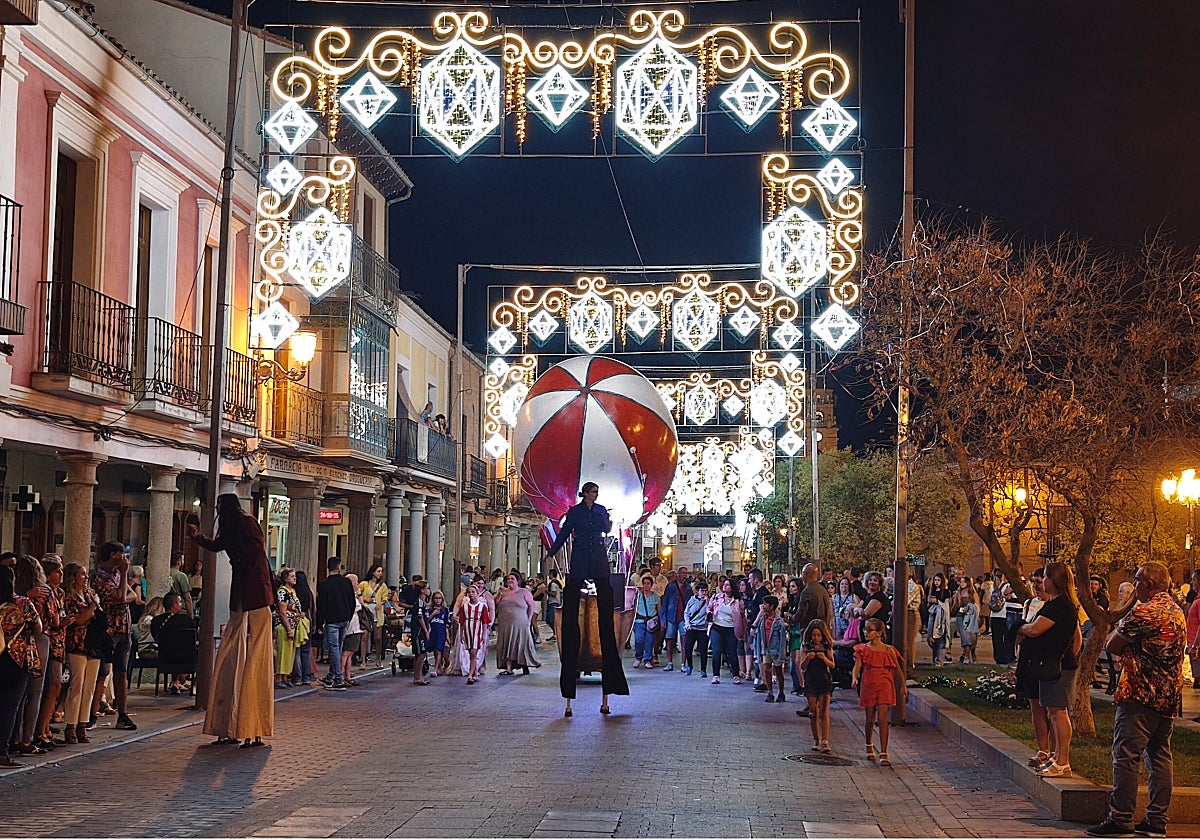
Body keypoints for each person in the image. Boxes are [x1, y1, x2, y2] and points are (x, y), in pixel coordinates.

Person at [1087, 562, 1187, 838]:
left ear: (1147, 585)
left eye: (1138, 579)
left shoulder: (1145, 611)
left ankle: (1121, 818)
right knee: (1159, 757)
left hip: (1139, 693)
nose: (1135, 583)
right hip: (1167, 696)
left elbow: (1112, 645)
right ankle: (1157, 819)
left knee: (1126, 756)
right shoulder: (1177, 611)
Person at [188, 494, 276, 747]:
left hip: (254, 593)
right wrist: (199, 539)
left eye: (218, 507)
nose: (216, 511)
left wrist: (234, 554)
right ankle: (239, 725)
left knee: (250, 651)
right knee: (236, 651)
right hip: (247, 593)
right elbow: (220, 545)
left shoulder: (243, 523)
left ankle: (246, 725)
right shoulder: (236, 524)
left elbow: (253, 546)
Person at [543, 481, 629, 717]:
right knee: (572, 607)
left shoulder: (601, 510)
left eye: (597, 493)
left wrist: (608, 520)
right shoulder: (575, 512)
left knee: (605, 594)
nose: (596, 495)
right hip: (581, 557)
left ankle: (611, 678)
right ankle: (570, 682)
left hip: (598, 558)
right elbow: (564, 533)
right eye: (593, 492)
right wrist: (552, 551)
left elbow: (608, 530)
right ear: (586, 493)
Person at [1016, 562, 1081, 778]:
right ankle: (1055, 756)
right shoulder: (1054, 604)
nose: (1042, 581)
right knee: (1052, 712)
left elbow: (1035, 629)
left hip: (1059, 666)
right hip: (1050, 664)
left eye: (1044, 577)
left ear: (1053, 580)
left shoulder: (1062, 606)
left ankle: (1063, 761)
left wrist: (1019, 628)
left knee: (1058, 712)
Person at [90, 541, 137, 732]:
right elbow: (119, 596)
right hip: (108, 629)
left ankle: (123, 714)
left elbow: (131, 595)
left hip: (123, 628)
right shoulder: (101, 576)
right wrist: (125, 575)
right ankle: (91, 714)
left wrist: (124, 595)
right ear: (112, 555)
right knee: (102, 672)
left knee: (121, 671)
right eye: (120, 553)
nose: (124, 558)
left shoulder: (117, 574)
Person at [0, 565, 41, 767]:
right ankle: (2, 751)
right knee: (9, 707)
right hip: (16, 658)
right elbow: (39, 627)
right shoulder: (22, 603)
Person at [853, 617, 907, 767]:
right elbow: (857, 667)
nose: (866, 632)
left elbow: (897, 669)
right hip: (869, 684)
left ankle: (884, 751)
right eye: (865, 629)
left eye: (869, 630)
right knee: (870, 719)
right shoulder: (863, 649)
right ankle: (869, 744)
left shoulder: (889, 650)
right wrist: (854, 677)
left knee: (883, 718)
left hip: (885, 684)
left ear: (879, 633)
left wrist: (903, 685)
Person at [61, 562, 100, 746]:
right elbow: (78, 620)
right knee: (77, 684)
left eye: (86, 575)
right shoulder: (68, 597)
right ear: (73, 577)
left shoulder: (90, 594)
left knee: (90, 686)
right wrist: (91, 609)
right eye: (82, 575)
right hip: (77, 643)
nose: (85, 578)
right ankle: (70, 725)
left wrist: (92, 610)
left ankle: (83, 724)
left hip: (94, 643)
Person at [314, 556, 356, 692]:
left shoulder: (324, 585)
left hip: (331, 619)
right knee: (338, 648)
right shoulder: (346, 582)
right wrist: (348, 616)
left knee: (334, 649)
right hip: (344, 618)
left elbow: (321, 606)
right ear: (338, 567)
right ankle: (331, 675)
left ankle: (338, 679)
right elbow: (352, 602)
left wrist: (319, 624)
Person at [495, 573, 541, 676]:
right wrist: (498, 595)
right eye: (508, 579)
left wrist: (528, 620)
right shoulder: (503, 592)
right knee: (506, 644)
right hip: (505, 623)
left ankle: (525, 665)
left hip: (521, 623)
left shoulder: (524, 592)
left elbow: (531, 606)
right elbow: (496, 604)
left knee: (521, 643)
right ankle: (509, 668)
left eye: (512, 579)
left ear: (517, 581)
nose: (510, 580)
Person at [150, 592, 196, 694]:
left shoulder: (156, 621)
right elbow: (196, 635)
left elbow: (155, 637)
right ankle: (194, 685)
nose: (181, 605)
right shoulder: (186, 620)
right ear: (174, 604)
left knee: (176, 649)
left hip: (165, 656)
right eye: (180, 602)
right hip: (186, 658)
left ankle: (175, 682)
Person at [801, 618, 836, 753]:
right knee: (813, 712)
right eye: (814, 635)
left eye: (818, 635)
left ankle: (825, 740)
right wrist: (808, 659)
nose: (816, 638)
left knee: (824, 711)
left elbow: (832, 664)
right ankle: (816, 740)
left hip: (824, 681)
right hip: (811, 681)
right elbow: (802, 666)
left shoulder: (827, 648)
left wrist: (824, 658)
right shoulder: (806, 648)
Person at [753, 594, 787, 703]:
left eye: (765, 604)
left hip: (776, 649)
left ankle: (781, 692)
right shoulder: (762, 619)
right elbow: (759, 636)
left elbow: (782, 639)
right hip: (766, 649)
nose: (763, 606)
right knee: (767, 669)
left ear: (772, 606)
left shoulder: (779, 621)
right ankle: (770, 692)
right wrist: (758, 651)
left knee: (778, 671)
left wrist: (782, 653)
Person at [659, 565, 693, 672]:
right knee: (669, 641)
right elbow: (665, 602)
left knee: (684, 641)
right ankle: (669, 663)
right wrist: (663, 620)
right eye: (683, 573)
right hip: (671, 616)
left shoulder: (688, 588)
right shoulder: (670, 586)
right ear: (678, 575)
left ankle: (683, 664)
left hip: (683, 617)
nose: (685, 575)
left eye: (686, 573)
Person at [272, 568, 302, 691]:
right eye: (291, 576)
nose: (294, 578)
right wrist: (288, 629)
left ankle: (285, 677)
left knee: (289, 653)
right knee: (282, 652)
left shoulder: (293, 591)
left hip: (293, 624)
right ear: (285, 579)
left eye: (295, 576)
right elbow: (282, 612)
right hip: (284, 626)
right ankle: (278, 677)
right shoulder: (282, 592)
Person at [456, 583, 490, 684]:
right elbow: (461, 621)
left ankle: (470, 675)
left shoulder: (482, 607)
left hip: (477, 633)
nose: (471, 594)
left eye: (473, 592)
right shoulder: (465, 607)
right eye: (469, 592)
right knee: (471, 652)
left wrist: (484, 634)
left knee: (473, 653)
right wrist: (461, 633)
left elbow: (484, 622)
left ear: (477, 593)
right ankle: (475, 672)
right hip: (467, 631)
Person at [707, 577, 738, 684]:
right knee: (716, 651)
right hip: (717, 626)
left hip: (730, 628)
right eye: (724, 584)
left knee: (732, 652)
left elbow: (741, 615)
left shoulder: (737, 601)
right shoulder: (717, 597)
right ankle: (716, 675)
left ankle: (735, 674)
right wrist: (709, 613)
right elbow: (709, 607)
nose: (725, 586)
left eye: (728, 585)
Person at [681, 579, 710, 677]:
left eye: (705, 591)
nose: (704, 593)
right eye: (702, 591)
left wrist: (708, 603)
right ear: (697, 591)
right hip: (692, 628)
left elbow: (711, 613)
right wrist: (687, 623)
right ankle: (689, 666)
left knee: (703, 650)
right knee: (688, 648)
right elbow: (686, 613)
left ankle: (703, 669)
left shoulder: (708, 601)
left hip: (703, 629)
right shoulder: (692, 600)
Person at [293, 571, 316, 686]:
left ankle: (297, 677)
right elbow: (313, 610)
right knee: (306, 651)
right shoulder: (308, 593)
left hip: (297, 621)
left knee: (297, 650)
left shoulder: (294, 593)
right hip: (307, 622)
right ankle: (306, 676)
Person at [633, 574, 660, 669]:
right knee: (639, 640)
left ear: (651, 585)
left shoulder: (655, 596)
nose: (646, 586)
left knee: (649, 641)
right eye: (644, 583)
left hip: (651, 622)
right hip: (639, 621)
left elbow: (659, 609)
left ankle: (648, 659)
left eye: (648, 583)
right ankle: (638, 657)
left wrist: (660, 621)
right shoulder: (638, 596)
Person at [409, 579, 431, 685]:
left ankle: (417, 676)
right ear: (422, 590)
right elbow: (419, 617)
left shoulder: (425, 603)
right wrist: (426, 630)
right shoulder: (418, 602)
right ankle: (418, 677)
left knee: (420, 653)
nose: (429, 590)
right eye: (427, 588)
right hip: (418, 631)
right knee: (421, 654)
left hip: (423, 630)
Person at [428, 590, 451, 676]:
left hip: (441, 631)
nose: (438, 600)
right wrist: (433, 614)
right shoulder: (430, 609)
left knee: (439, 650)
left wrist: (448, 635)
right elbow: (427, 620)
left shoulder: (445, 610)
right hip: (432, 631)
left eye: (439, 598)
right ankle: (439, 666)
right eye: (436, 598)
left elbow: (447, 623)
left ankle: (436, 668)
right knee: (435, 650)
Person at [832, 576, 860, 641]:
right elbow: (832, 615)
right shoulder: (834, 597)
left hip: (849, 626)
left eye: (846, 584)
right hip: (838, 627)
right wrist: (834, 630)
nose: (844, 586)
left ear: (849, 586)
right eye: (842, 584)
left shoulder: (854, 597)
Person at [926, 588, 950, 666]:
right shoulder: (931, 590)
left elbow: (947, 605)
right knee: (931, 637)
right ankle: (935, 658)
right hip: (932, 613)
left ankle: (940, 660)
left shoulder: (945, 592)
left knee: (941, 638)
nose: (937, 582)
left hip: (942, 615)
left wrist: (937, 602)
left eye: (938, 580)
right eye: (935, 580)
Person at [168, 551, 194, 619]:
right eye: (182, 559)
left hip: (167, 606)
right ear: (179, 561)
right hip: (180, 608)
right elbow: (187, 597)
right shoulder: (181, 576)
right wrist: (191, 615)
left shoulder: (166, 573)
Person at [1188, 569, 1200, 692]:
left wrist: (1195, 645)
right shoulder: (1196, 599)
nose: (1192, 583)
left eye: (1194, 580)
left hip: (1197, 646)